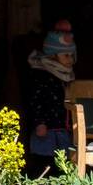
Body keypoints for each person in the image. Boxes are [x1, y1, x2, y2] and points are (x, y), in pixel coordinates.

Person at [27, 19, 76, 162]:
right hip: (46, 131)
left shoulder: (65, 75)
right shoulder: (41, 75)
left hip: (63, 128)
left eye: (72, 55)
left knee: (65, 163)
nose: (70, 60)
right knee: (45, 162)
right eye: (65, 55)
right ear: (52, 55)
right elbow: (35, 100)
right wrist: (39, 123)